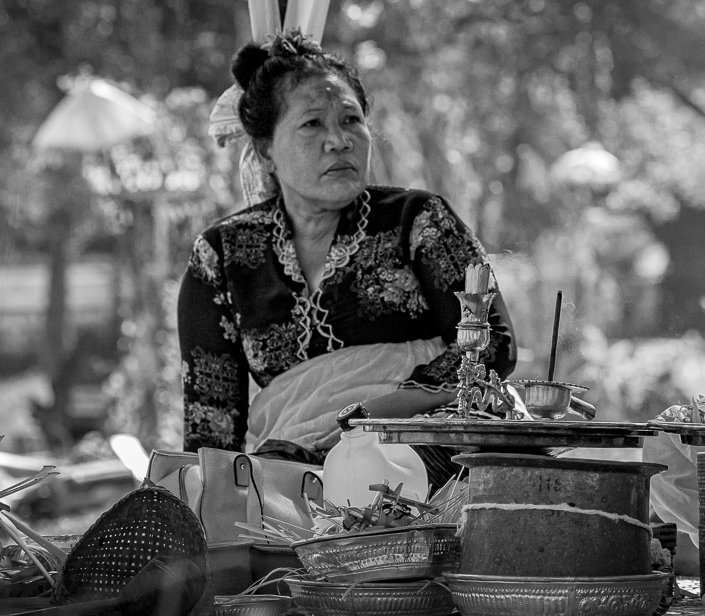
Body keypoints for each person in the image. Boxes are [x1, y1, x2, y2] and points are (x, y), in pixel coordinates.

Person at [178, 32, 516, 468]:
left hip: (420, 461)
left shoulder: (419, 221)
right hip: (289, 478)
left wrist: (371, 419)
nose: (339, 140)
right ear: (265, 150)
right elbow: (212, 429)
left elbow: (489, 344)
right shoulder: (221, 255)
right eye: (312, 123)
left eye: (351, 120)